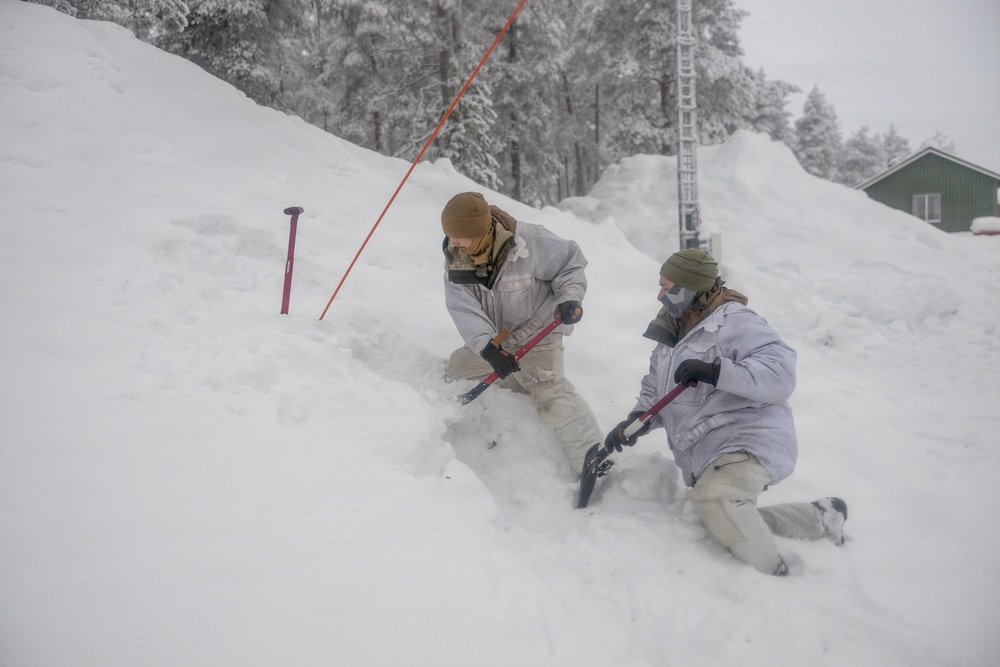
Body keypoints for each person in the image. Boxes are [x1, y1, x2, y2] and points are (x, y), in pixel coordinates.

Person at [604, 248, 847, 576]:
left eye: (666, 287)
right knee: (723, 514)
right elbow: (655, 389)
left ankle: (775, 576)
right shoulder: (673, 329)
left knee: (718, 499)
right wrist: (637, 421)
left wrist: (717, 371)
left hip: (747, 436)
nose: (659, 295)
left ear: (689, 287)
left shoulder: (735, 321)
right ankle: (820, 518)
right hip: (710, 448)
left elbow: (781, 372)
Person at [441, 191, 602, 477]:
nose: (453, 244)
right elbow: (464, 309)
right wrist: (489, 349)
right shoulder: (456, 260)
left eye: (459, 237)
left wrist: (570, 297)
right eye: (449, 236)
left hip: (539, 334)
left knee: (550, 390)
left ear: (479, 232)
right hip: (499, 341)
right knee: (458, 369)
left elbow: (571, 263)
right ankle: (521, 379)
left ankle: (594, 460)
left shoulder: (529, 242)